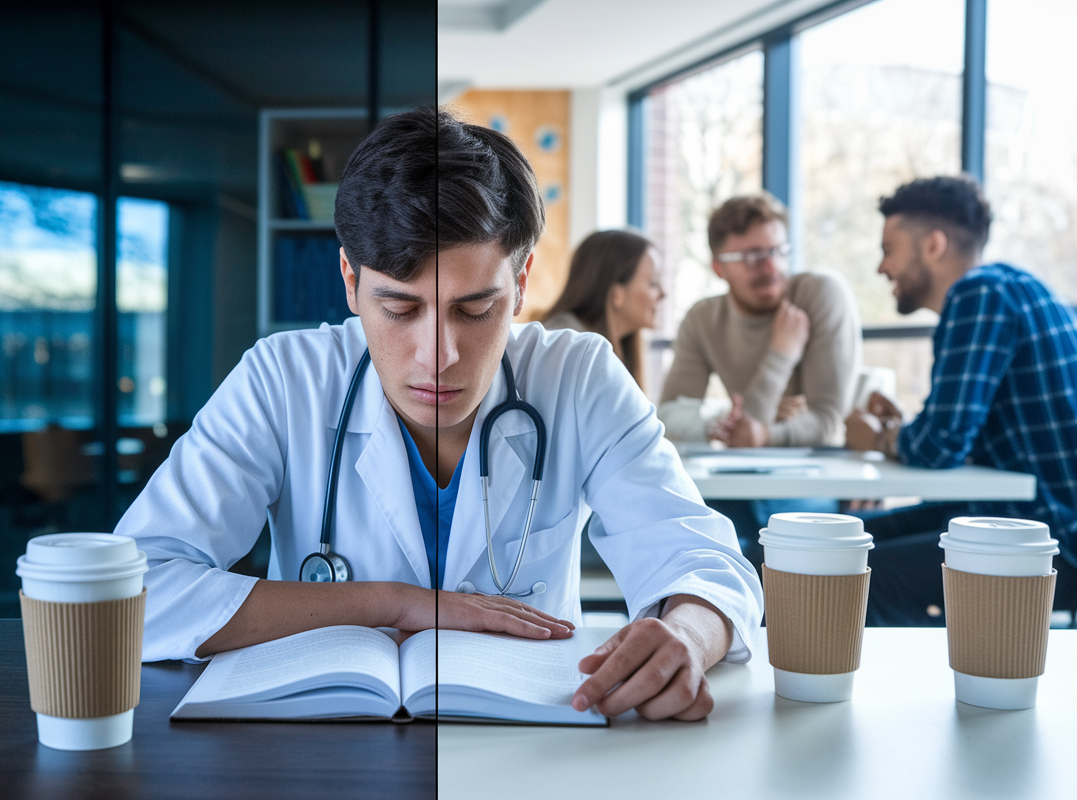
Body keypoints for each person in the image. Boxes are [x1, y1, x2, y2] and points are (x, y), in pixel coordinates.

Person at [114, 107, 762, 721]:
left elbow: (704, 562)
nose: (439, 356)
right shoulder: (283, 380)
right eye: (399, 310)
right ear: (349, 280)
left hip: (528, 746)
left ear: (524, 281)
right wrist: (394, 604)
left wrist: (687, 631)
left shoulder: (579, 377)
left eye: (476, 310)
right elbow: (130, 594)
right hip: (320, 748)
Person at [845, 175, 1077, 626]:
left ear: (933, 244)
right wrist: (903, 430)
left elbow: (940, 446)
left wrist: (879, 438)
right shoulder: (1019, 286)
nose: (881, 268)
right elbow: (964, 438)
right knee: (850, 539)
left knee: (859, 574)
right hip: (1020, 516)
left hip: (1050, 537)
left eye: (888, 249)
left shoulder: (980, 293)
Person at [658, 192, 862, 448]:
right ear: (719, 268)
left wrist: (763, 433)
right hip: (747, 473)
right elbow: (668, 418)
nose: (771, 268)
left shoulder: (820, 295)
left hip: (822, 473)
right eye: (753, 257)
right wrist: (726, 417)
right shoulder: (703, 319)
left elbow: (829, 421)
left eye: (778, 251)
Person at [541, 229, 665, 386]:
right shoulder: (566, 345)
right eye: (653, 283)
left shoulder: (620, 351)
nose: (663, 293)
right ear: (616, 294)